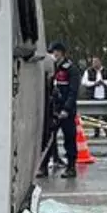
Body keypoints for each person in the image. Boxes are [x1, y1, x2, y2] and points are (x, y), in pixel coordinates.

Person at [38, 41, 81, 179]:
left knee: (69, 138)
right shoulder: (52, 68)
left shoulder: (71, 69)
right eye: (52, 52)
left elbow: (73, 92)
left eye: (56, 52)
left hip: (66, 110)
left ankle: (71, 167)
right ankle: (43, 166)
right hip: (53, 108)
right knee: (48, 138)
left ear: (62, 53)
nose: (54, 54)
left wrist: (67, 109)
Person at [81, 56, 107, 138]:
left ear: (100, 62)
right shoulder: (88, 71)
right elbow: (84, 82)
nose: (95, 64)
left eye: (96, 62)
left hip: (104, 96)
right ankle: (96, 132)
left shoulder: (106, 71)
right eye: (93, 62)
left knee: (105, 116)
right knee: (94, 116)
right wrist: (94, 84)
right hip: (93, 96)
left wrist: (104, 82)